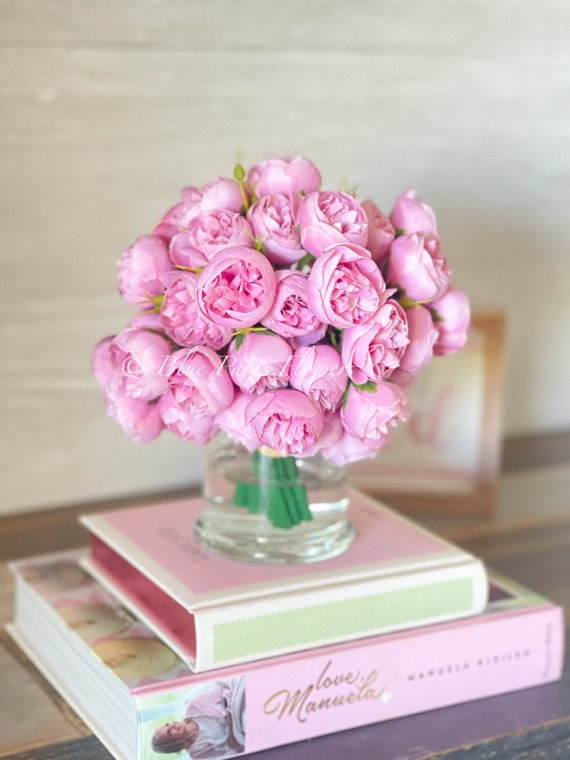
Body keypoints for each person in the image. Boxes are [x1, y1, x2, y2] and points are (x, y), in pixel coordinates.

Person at [151, 677, 245, 758]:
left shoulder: (193, 704)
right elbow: (234, 750)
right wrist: (231, 721)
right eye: (170, 732)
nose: (172, 725)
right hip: (240, 727)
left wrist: (226, 694)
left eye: (168, 724)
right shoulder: (198, 752)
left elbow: (218, 683)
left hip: (235, 696)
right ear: (172, 744)